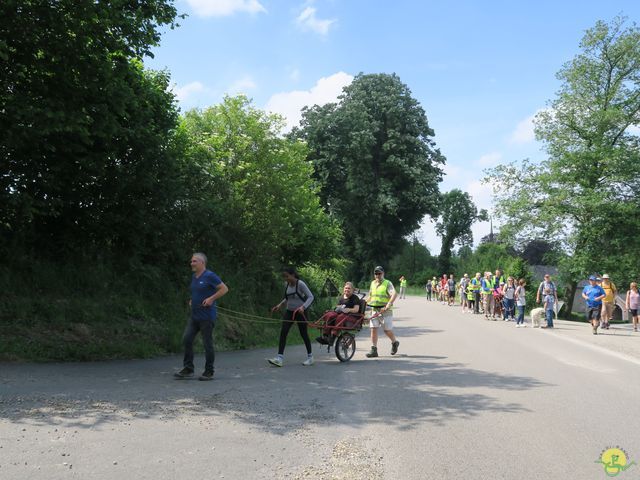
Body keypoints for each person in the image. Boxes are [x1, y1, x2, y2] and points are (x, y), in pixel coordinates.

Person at [174, 253, 229, 381]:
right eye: (191, 261)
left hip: (207, 316)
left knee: (207, 344)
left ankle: (209, 371)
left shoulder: (210, 275)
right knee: (187, 339)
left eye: (194, 261)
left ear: (202, 263)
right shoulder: (194, 276)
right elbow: (197, 291)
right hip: (195, 316)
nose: (191, 263)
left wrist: (211, 299)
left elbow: (224, 289)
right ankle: (188, 369)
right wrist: (192, 300)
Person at [268, 267, 315, 367]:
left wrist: (303, 307)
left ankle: (310, 357)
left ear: (293, 275)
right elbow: (287, 298)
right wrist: (279, 305)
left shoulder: (300, 284)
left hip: (300, 312)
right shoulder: (287, 285)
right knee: (283, 332)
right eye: (284, 277)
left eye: (287, 276)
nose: (285, 279)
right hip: (289, 312)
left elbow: (311, 297)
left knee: (303, 334)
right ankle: (279, 359)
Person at [365, 266, 399, 358]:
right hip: (374, 310)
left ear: (383, 273)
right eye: (376, 273)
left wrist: (388, 304)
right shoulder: (372, 283)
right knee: (373, 329)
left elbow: (394, 294)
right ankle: (374, 349)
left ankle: (394, 342)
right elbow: (371, 296)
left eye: (379, 273)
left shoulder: (387, 283)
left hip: (385, 311)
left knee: (387, 330)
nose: (377, 275)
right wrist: (364, 303)